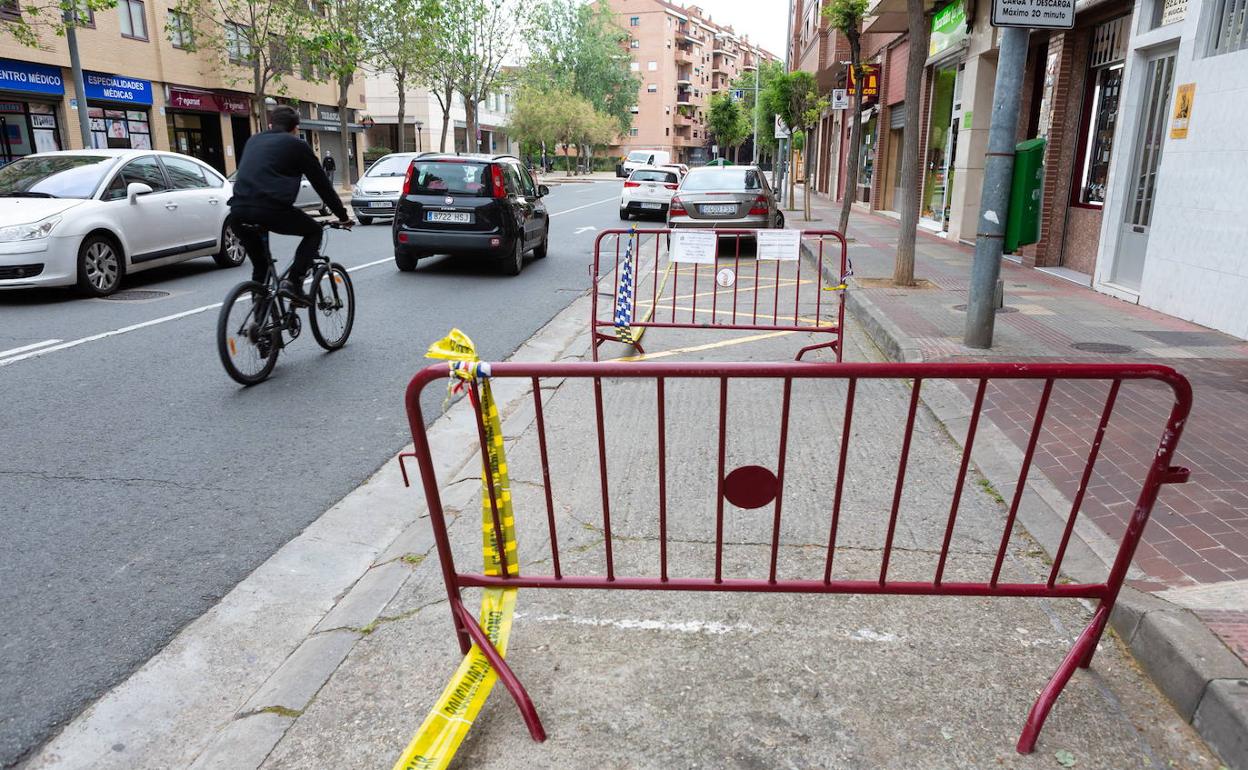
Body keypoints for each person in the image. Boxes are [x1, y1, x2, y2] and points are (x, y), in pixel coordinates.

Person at [228, 106, 351, 304]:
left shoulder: (253, 140)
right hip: (271, 210)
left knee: (260, 267)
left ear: (270, 124)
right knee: (314, 232)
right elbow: (322, 185)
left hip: (238, 211)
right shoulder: (297, 145)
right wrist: (343, 216)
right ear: (296, 128)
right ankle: (293, 283)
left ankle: (259, 328)